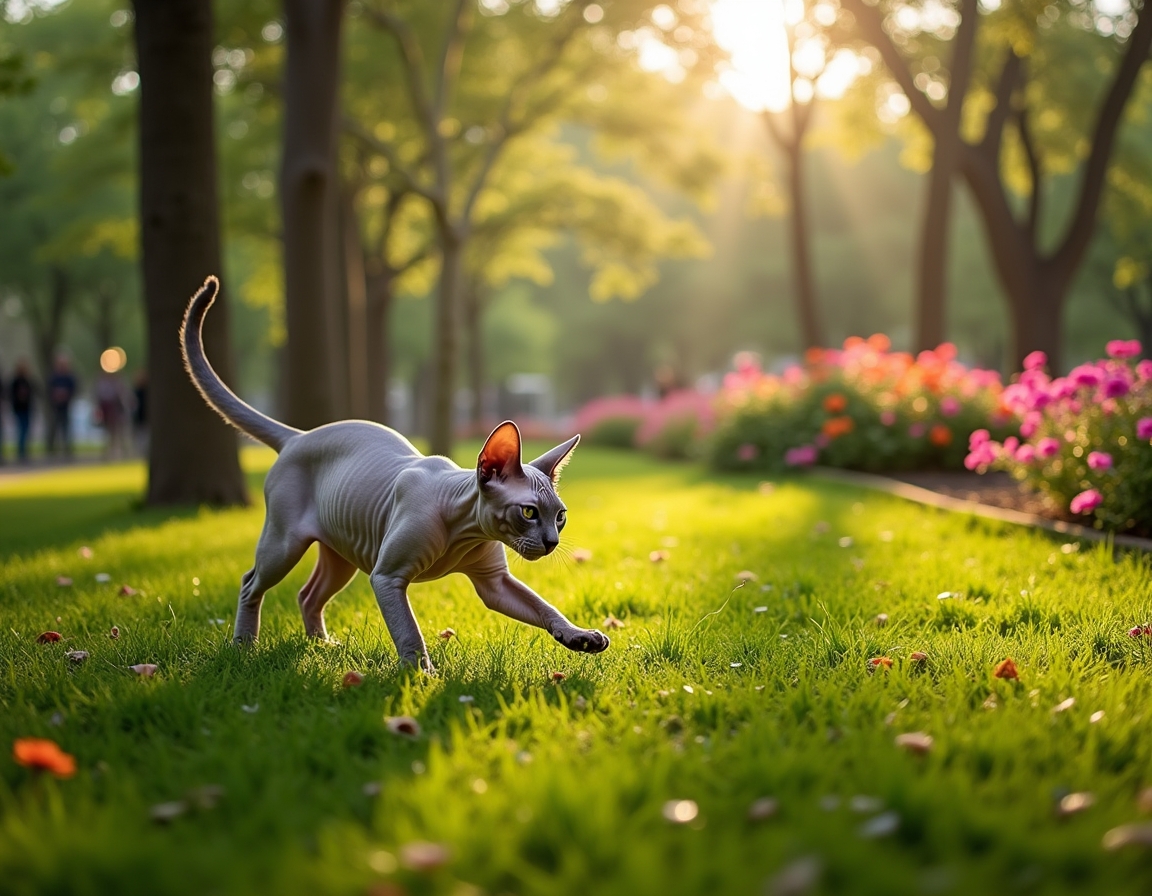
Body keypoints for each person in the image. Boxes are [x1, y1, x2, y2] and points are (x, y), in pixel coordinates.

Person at [46, 355, 77, 458]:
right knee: (53, 427)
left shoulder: (69, 377)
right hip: (55, 407)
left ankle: (67, 448)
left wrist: (66, 396)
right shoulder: (53, 377)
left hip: (66, 406)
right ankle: (51, 448)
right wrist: (55, 397)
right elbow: (48, 390)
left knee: (66, 428)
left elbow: (74, 389)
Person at [96, 368, 129, 459]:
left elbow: (122, 395)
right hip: (107, 410)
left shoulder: (118, 383)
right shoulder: (102, 383)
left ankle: (123, 452)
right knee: (107, 432)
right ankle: (107, 452)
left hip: (116, 410)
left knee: (119, 431)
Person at [9, 359, 34, 463]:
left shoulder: (28, 381)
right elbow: (12, 395)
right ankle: (21, 452)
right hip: (19, 409)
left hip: (27, 409)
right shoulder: (15, 382)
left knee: (26, 430)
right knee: (22, 430)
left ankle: (24, 452)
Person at [132, 368, 148, 456]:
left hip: (145, 419)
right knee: (140, 440)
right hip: (139, 418)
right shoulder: (136, 392)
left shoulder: (147, 392)